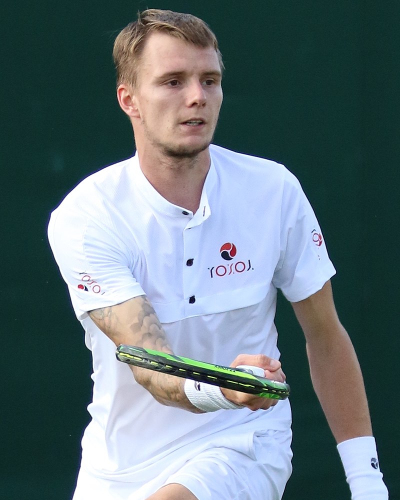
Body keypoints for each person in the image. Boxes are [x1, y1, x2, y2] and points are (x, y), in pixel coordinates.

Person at [48, 9, 388, 500]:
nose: (197, 97)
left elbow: (325, 334)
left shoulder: (274, 191)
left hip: (244, 442)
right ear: (129, 100)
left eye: (210, 80)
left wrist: (367, 481)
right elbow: (150, 364)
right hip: (117, 469)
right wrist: (224, 385)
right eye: (173, 81)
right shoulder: (87, 216)